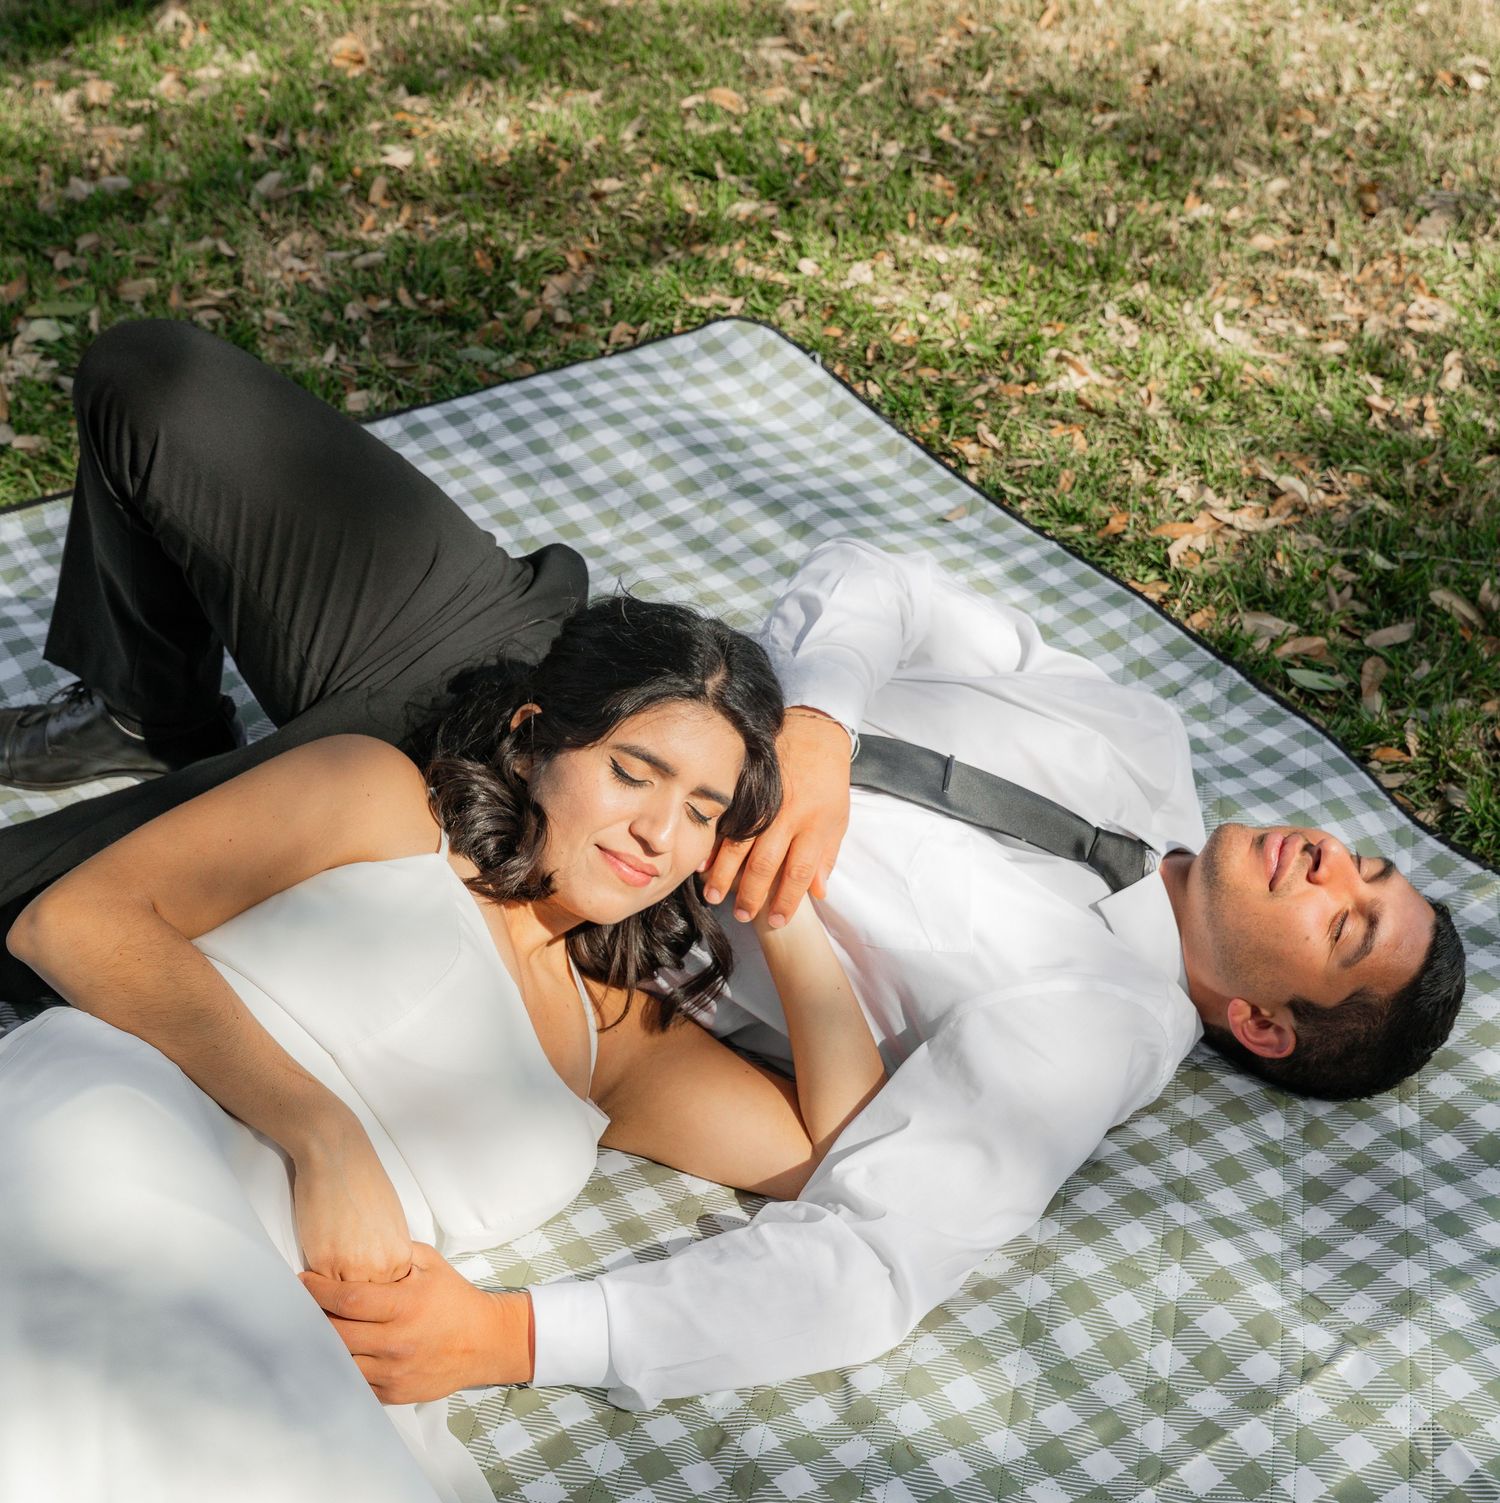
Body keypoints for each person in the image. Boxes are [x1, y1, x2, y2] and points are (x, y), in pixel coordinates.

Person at [0, 323, 1468, 1422]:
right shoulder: (1139, 737)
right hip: (548, 672)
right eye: (1368, 864)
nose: (1329, 860)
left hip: (532, 864)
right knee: (157, 382)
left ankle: (201, 798)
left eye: (1344, 924)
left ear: (1263, 1024)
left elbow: (870, 1241)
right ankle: (145, 709)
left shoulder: (1088, 1029)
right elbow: (880, 579)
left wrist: (524, 1338)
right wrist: (817, 719)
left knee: (39, 915)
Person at [0, 571, 887, 1503]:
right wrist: (322, 1132)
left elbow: (846, 1154)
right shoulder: (380, 802)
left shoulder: (621, 1039)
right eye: (635, 771)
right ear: (534, 737)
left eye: (702, 811)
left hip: (308, 1330)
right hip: (124, 1143)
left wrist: (786, 908)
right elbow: (73, 919)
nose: (659, 832)